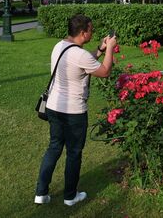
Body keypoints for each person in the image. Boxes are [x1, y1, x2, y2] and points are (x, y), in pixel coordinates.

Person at [34, 14, 117, 207]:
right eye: (91, 29)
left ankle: (41, 193)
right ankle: (70, 196)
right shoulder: (79, 54)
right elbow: (104, 72)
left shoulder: (60, 46)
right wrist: (110, 49)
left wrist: (99, 49)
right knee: (73, 153)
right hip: (73, 112)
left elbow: (82, 64)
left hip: (54, 107)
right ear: (82, 32)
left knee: (54, 148)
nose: (93, 32)